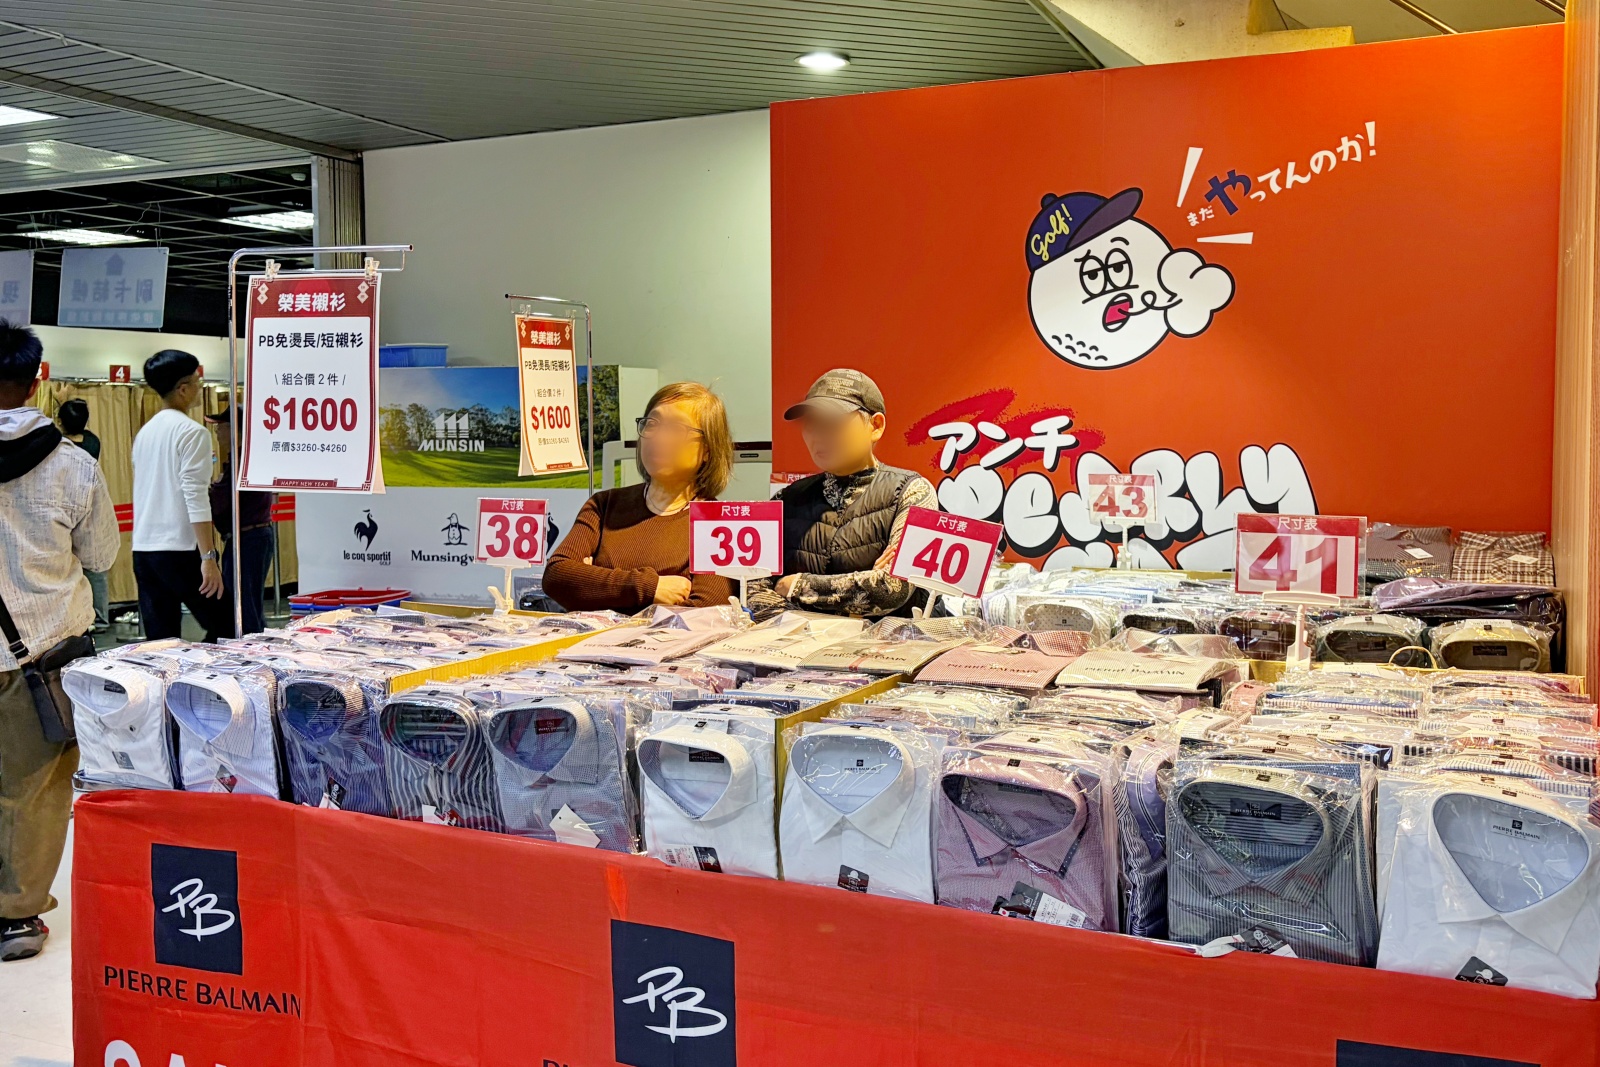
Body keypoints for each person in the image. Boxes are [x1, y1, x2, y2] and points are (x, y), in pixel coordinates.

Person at [0, 321, 118, 960]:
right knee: (35, 788)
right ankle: (16, 916)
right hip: (43, 651)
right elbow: (100, 555)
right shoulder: (74, 465)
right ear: (34, 381)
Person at [748, 368, 938, 619]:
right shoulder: (785, 499)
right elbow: (753, 591)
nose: (819, 434)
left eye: (833, 422)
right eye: (812, 423)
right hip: (797, 642)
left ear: (876, 426)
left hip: (888, 643)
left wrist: (794, 586)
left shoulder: (912, 492)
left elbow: (892, 588)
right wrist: (863, 582)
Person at [544, 382, 737, 611]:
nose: (658, 437)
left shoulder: (719, 522)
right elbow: (557, 576)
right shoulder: (604, 504)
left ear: (708, 450)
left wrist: (595, 582)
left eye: (676, 428)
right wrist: (651, 588)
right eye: (652, 423)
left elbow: (701, 614)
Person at [130, 350, 232, 642]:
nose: (201, 387)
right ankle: (205, 670)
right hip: (180, 548)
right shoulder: (192, 433)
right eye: (197, 381)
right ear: (183, 389)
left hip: (144, 549)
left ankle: (174, 673)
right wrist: (208, 556)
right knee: (228, 625)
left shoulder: (145, 434)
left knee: (161, 642)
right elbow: (195, 495)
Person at [205, 406, 276, 637]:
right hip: (251, 536)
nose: (217, 433)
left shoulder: (242, 461)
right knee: (249, 603)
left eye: (221, 427)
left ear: (235, 430)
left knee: (244, 607)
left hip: (248, 538)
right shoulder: (247, 457)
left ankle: (251, 650)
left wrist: (205, 491)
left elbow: (222, 502)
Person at [57, 398, 109, 632]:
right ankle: (100, 617)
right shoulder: (92, 442)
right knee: (96, 566)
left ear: (60, 421)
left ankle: (73, 616)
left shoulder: (59, 446)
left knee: (66, 563)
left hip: (64, 505)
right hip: (90, 504)